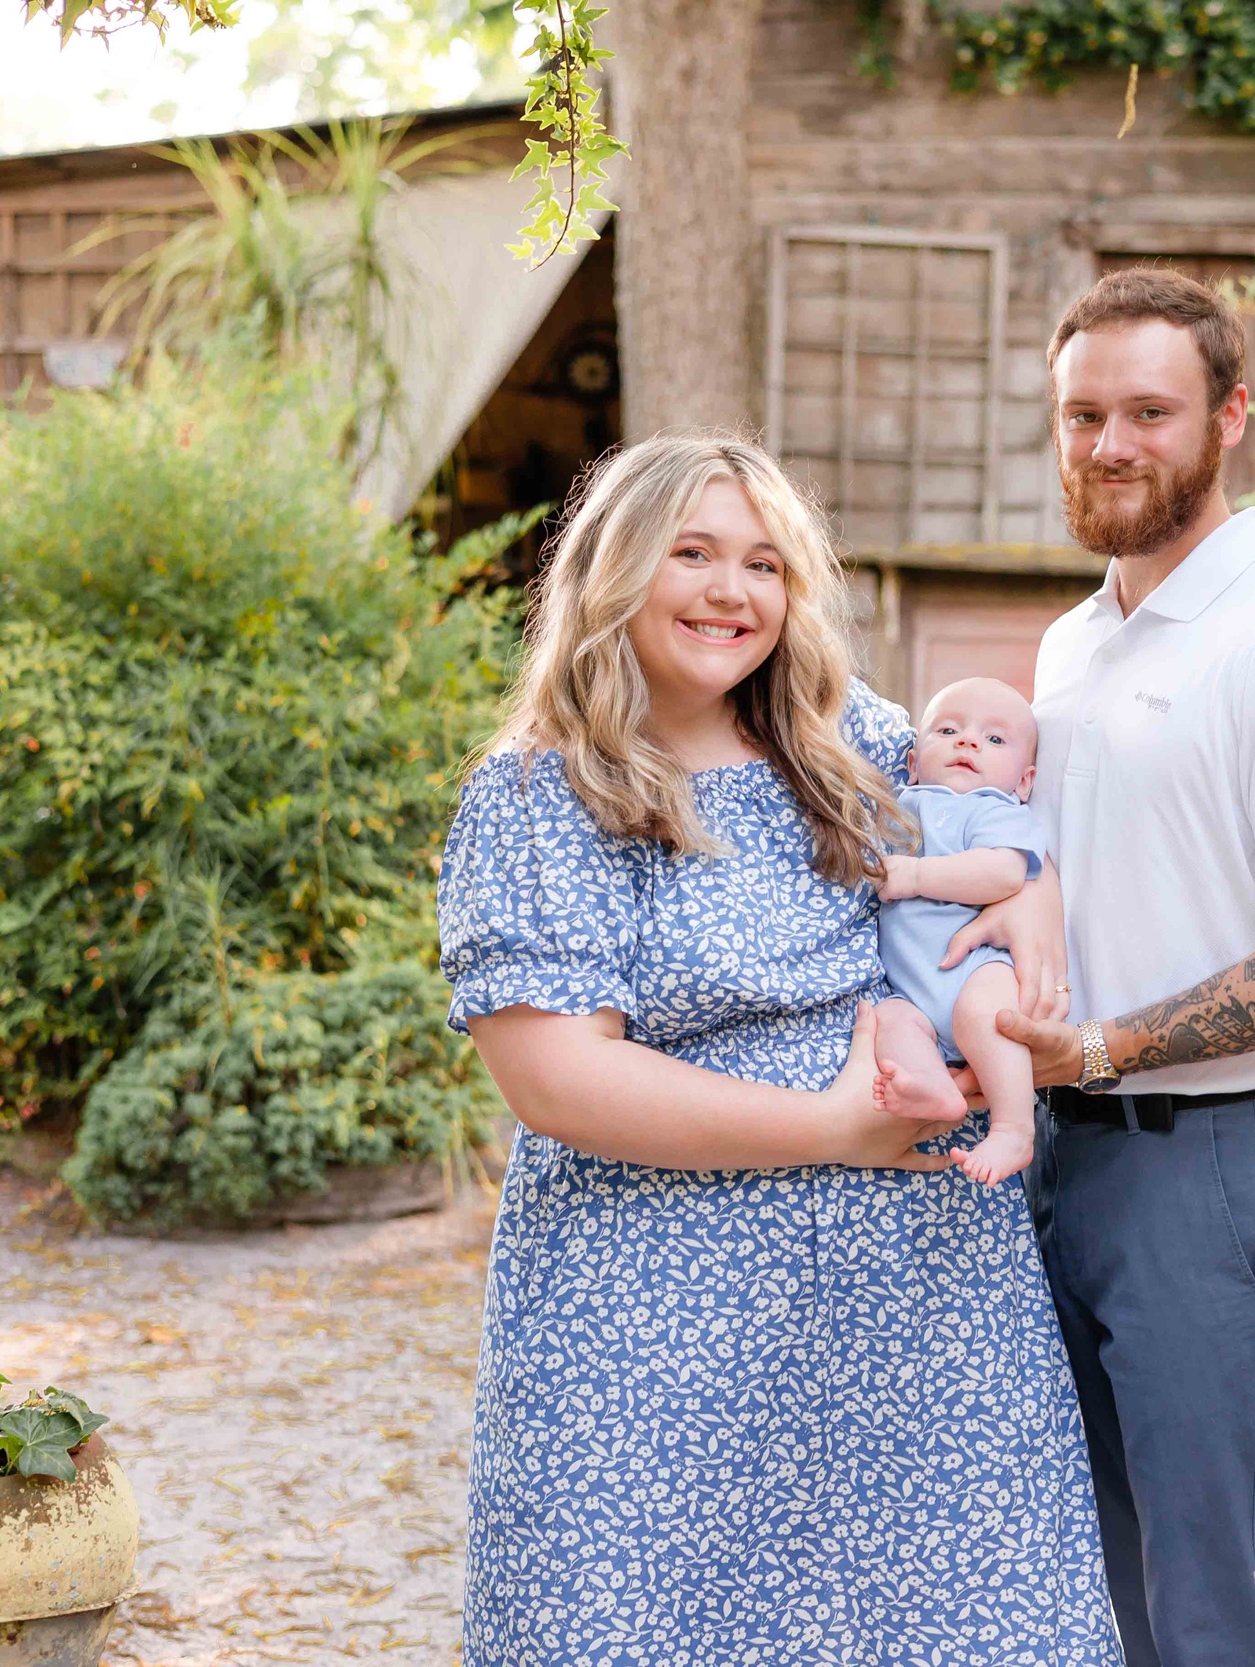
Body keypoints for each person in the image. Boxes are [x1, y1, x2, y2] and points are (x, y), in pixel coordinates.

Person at [436, 433, 1119, 1666]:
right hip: (654, 1312)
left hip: (917, 1292)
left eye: (763, 563)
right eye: (690, 553)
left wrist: (1029, 890)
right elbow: (555, 1078)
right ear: (610, 570)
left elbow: (993, 823)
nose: (730, 591)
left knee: (940, 1620)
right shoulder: (540, 795)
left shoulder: (850, 738)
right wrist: (832, 1129)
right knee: (648, 1621)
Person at [961, 269, 1255, 1667]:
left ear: (1231, 419)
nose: (1110, 443)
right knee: (1096, 1592)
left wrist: (1096, 1049)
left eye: (1148, 410)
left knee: (1220, 1608)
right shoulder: (1072, 641)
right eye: (1083, 412)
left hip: (1208, 1169)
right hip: (1056, 1156)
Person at [869, 676, 1045, 1186]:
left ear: (1026, 780)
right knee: (890, 1019)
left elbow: (1004, 871)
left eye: (994, 739)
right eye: (948, 730)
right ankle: (930, 1087)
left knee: (984, 1013)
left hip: (975, 969)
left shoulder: (994, 808)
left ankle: (1014, 1126)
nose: (968, 742)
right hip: (911, 990)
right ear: (911, 762)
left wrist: (915, 875)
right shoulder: (900, 804)